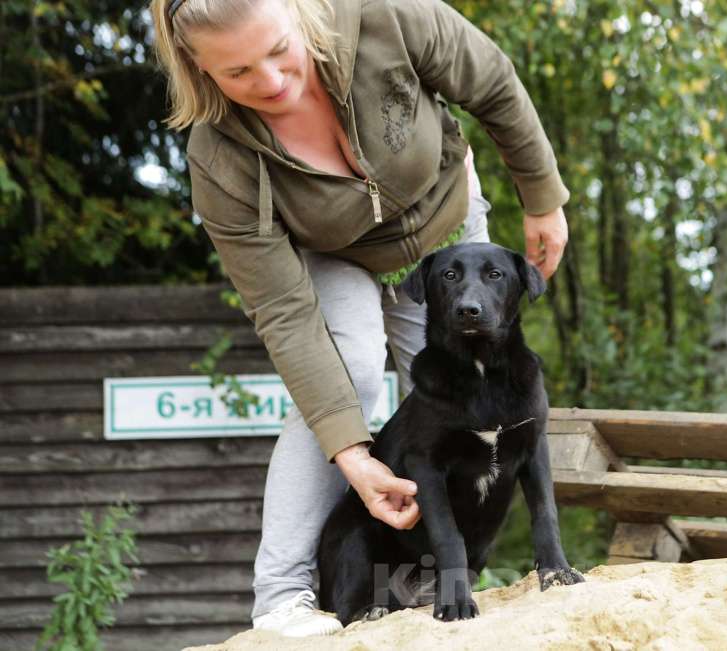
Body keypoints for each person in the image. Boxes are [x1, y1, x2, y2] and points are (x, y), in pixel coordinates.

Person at [151, 0, 569, 637]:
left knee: (465, 401)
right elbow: (284, 315)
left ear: (301, 16)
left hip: (441, 223)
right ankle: (283, 594)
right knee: (351, 373)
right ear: (197, 69)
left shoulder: (388, 19)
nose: (268, 81)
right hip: (331, 252)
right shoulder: (219, 158)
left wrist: (542, 194)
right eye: (236, 72)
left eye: (278, 50)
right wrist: (352, 456)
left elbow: (492, 82)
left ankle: (438, 579)